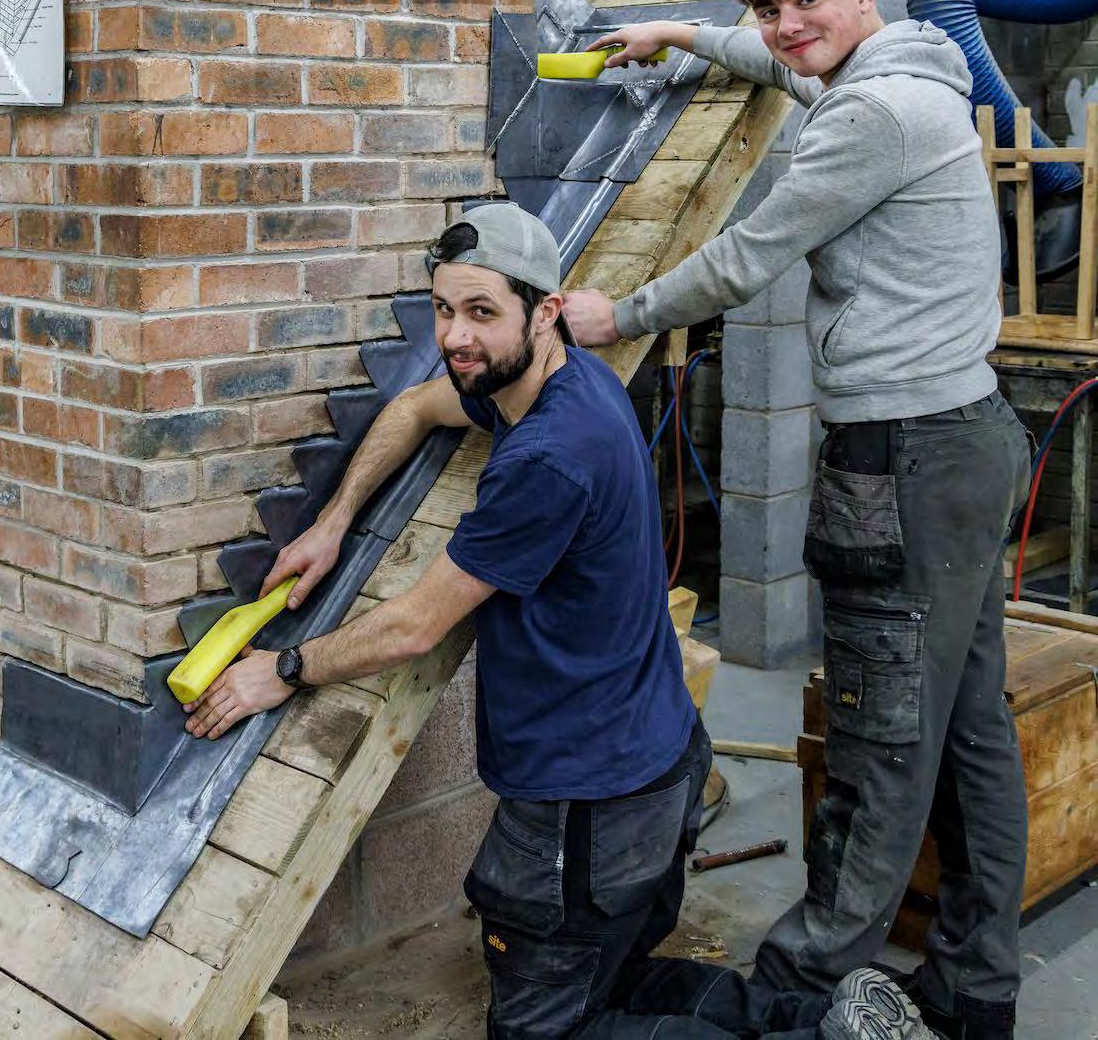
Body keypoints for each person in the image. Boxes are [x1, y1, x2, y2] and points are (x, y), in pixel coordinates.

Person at [180, 202, 926, 1040]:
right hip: (659, 763)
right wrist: (334, 519)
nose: (455, 336)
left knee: (546, 1031)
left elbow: (414, 626)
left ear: (545, 312)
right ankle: (835, 1021)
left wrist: (283, 670)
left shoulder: (547, 459)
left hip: (592, 806)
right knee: (617, 980)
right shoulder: (564, 380)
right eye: (443, 309)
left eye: (482, 312)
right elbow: (418, 407)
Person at [565, 0, 1030, 1040]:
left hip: (903, 460)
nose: (785, 27)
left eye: (805, 1)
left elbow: (745, 256)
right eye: (768, 9)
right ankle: (976, 992)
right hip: (968, 436)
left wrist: (615, 314)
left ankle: (793, 993)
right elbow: (784, 68)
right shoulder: (908, 75)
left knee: (878, 741)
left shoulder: (869, 115)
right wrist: (681, 33)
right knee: (970, 735)